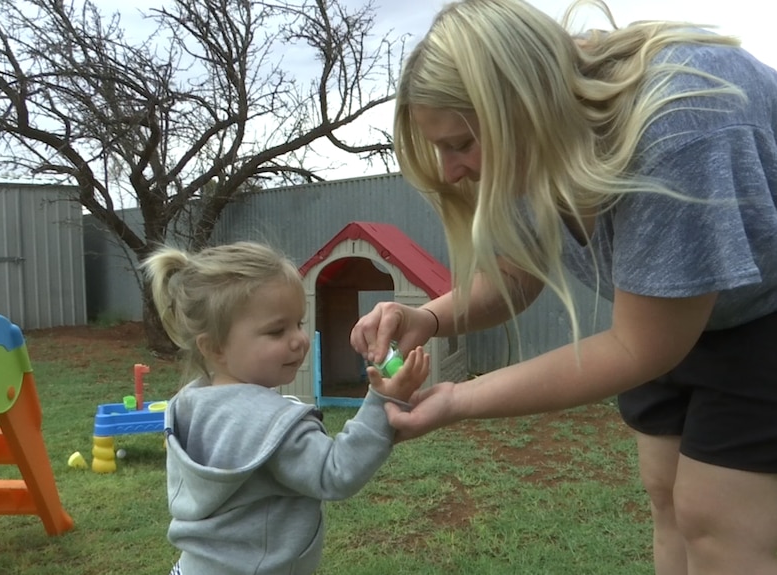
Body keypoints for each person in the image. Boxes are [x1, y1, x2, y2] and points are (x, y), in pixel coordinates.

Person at [350, 0, 777, 573]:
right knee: (668, 495)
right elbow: (517, 273)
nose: (451, 171)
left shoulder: (679, 123)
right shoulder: (534, 139)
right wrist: (429, 318)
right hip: (681, 310)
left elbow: (640, 346)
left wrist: (457, 400)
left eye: (460, 144)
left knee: (719, 521)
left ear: (523, 106)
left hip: (764, 308)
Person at [140, 241, 429, 575]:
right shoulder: (271, 423)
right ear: (215, 347)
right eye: (277, 330)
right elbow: (335, 473)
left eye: (299, 324)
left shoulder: (190, 404)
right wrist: (384, 401)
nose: (299, 340)